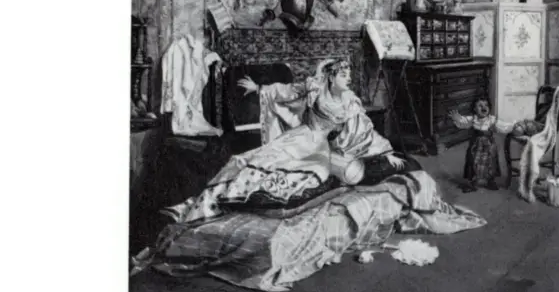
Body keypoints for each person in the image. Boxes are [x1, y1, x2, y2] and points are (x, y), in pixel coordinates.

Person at [161, 58, 419, 225]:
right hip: (300, 137)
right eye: (344, 74)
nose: (349, 78)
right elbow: (287, 92)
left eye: (349, 74)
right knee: (251, 160)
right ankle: (192, 207)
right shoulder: (314, 89)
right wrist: (259, 89)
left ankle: (216, 206)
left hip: (321, 147)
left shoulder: (351, 101)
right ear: (331, 77)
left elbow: (364, 131)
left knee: (307, 174)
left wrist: (386, 153)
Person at [448, 100, 515, 192]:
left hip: (489, 145)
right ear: (474, 109)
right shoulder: (473, 119)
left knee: (490, 162)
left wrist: (513, 126)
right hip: (476, 145)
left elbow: (502, 126)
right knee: (474, 161)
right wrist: (457, 118)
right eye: (480, 105)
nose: (484, 107)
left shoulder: (491, 119)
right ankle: (473, 182)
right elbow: (463, 122)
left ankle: (490, 181)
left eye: (486, 105)